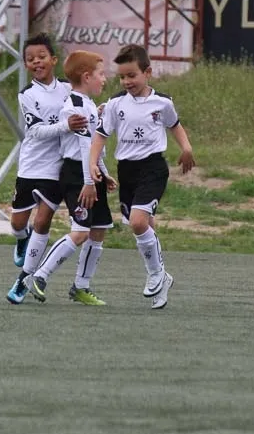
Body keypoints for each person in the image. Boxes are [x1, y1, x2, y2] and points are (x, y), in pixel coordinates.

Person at [88, 44, 195, 310]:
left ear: (147, 73)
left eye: (132, 75)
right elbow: (100, 135)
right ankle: (161, 278)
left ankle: (156, 274)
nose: (127, 81)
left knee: (138, 222)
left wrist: (186, 148)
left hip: (153, 168)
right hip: (127, 170)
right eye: (122, 77)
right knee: (145, 224)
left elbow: (175, 126)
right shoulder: (115, 104)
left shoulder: (162, 103)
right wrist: (92, 163)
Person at [25, 50, 116, 306]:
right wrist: (88, 182)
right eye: (100, 74)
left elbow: (95, 146)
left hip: (90, 173)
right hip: (77, 175)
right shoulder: (75, 106)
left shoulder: (88, 104)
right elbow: (84, 147)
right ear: (87, 77)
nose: (104, 79)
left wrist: (103, 173)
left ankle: (81, 286)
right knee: (80, 231)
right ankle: (38, 276)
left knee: (98, 230)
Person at [6, 33, 87, 305]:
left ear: (53, 60)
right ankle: (22, 239)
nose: (36, 62)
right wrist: (66, 126)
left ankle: (24, 279)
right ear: (25, 64)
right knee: (18, 223)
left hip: (56, 167)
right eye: (30, 59)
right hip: (31, 166)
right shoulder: (27, 94)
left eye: (41, 57)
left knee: (42, 221)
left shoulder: (68, 89)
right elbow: (37, 131)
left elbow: (84, 107)